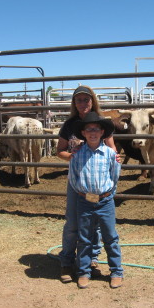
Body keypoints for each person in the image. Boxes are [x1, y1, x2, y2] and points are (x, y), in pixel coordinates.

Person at [56, 85, 118, 283]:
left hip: (99, 184)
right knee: (74, 223)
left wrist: (111, 178)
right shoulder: (69, 125)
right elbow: (60, 151)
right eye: (79, 100)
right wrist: (73, 156)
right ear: (74, 103)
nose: (82, 103)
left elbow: (112, 150)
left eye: (86, 99)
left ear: (93, 101)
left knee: (96, 225)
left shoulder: (101, 122)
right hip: (78, 182)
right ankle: (67, 261)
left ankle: (91, 260)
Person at [69, 112, 123, 289]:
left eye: (96, 129)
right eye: (89, 129)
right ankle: (84, 272)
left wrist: (108, 194)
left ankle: (116, 271)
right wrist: (82, 194)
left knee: (110, 237)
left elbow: (114, 176)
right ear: (83, 133)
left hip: (105, 201)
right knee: (84, 238)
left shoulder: (110, 154)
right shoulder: (76, 155)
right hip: (84, 201)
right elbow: (74, 178)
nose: (93, 132)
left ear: (102, 132)